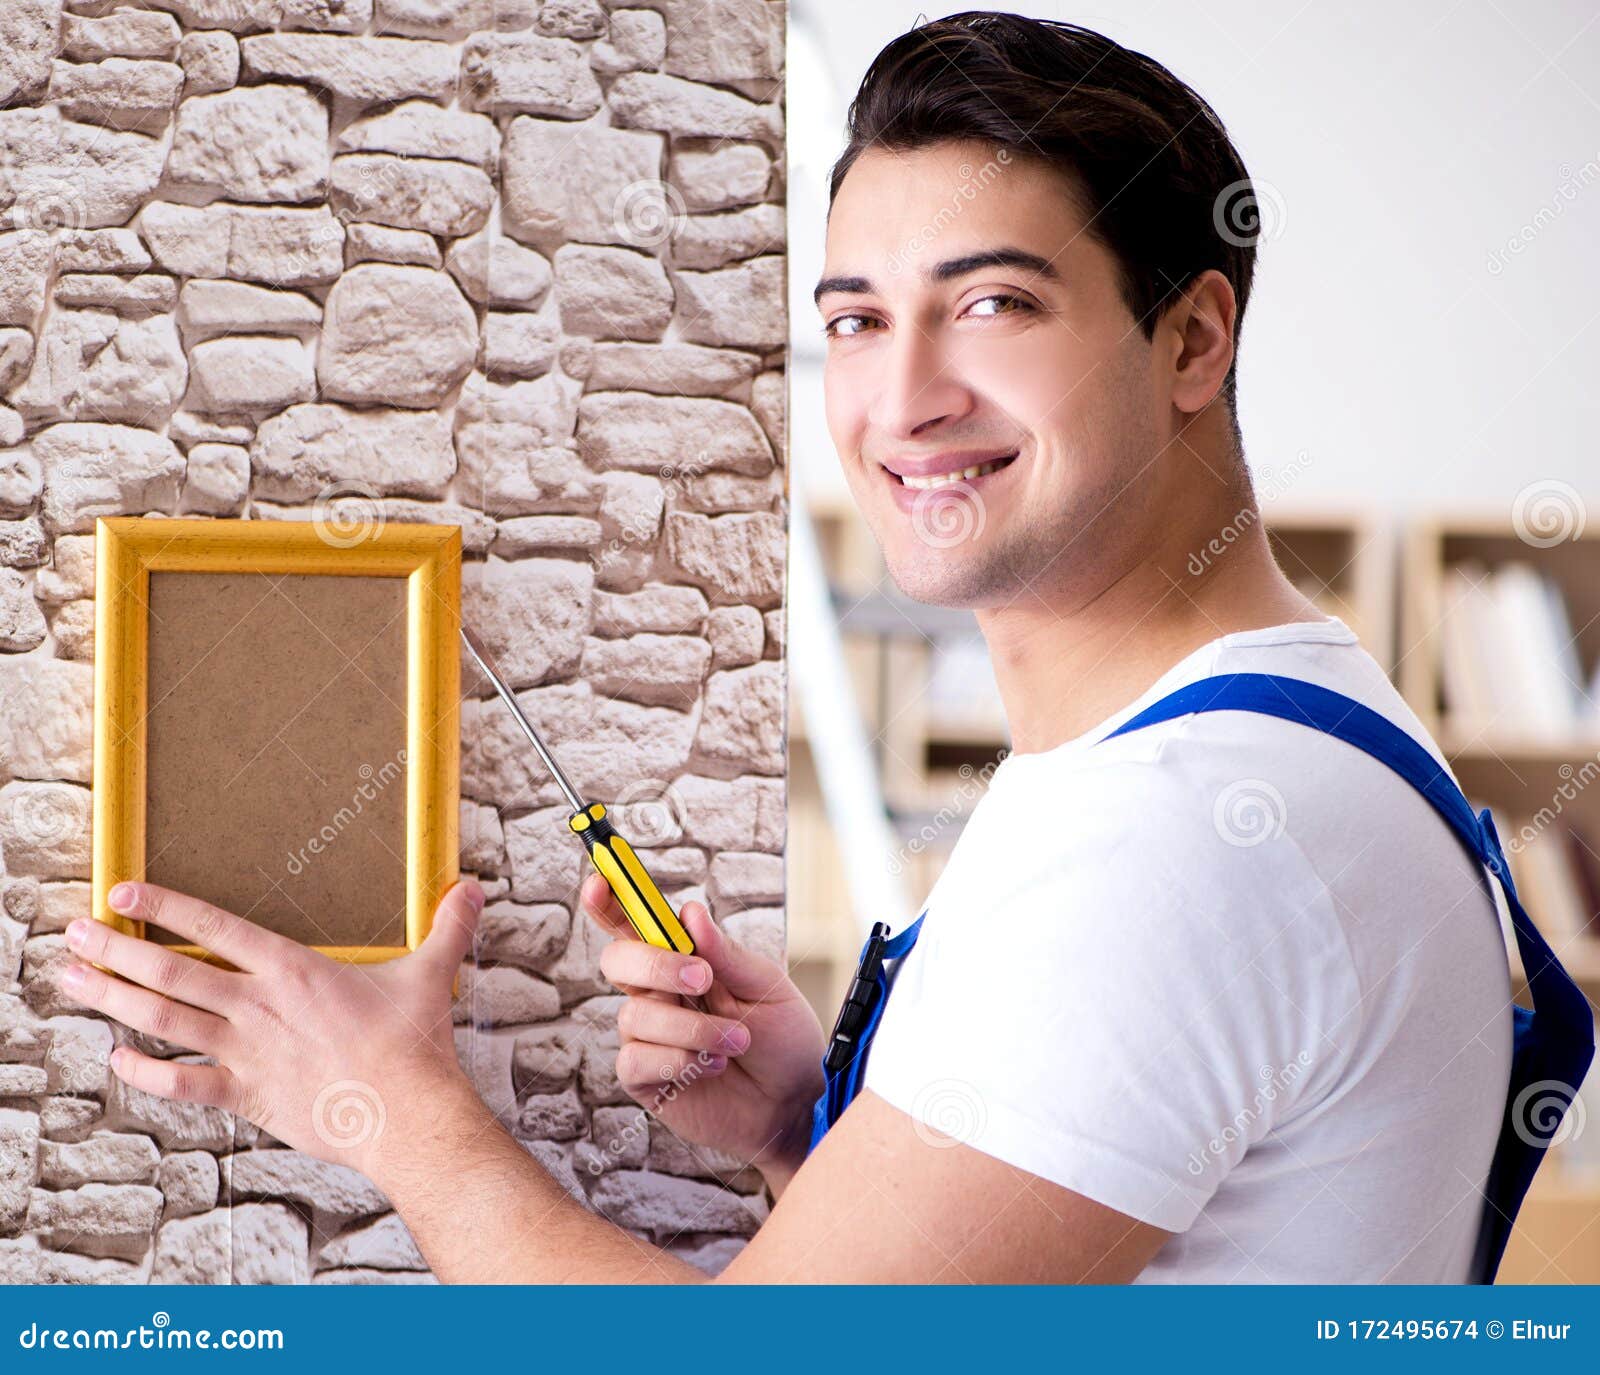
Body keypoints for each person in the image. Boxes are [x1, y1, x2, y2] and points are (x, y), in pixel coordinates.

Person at [60, 12, 1513, 1282]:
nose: (903, 400)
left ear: (1194, 341)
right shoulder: (1272, 731)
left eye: (994, 304)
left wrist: (390, 1102)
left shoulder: (1183, 831)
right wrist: (805, 1124)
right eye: (858, 321)